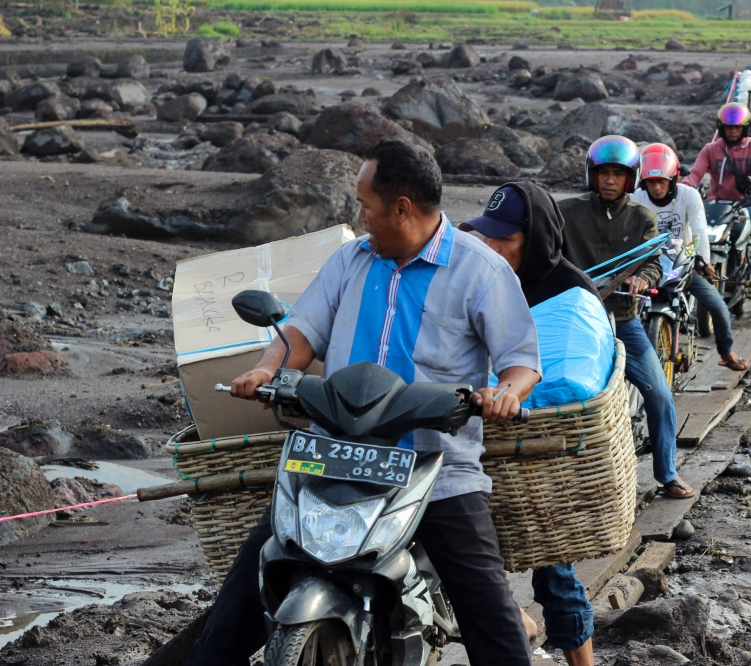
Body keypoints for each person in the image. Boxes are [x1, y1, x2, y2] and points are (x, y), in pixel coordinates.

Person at [186, 139, 542, 666]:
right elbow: (300, 333)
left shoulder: (480, 271)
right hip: (331, 455)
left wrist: (504, 395)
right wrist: (266, 371)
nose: (359, 217)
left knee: (490, 620)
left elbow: (521, 362)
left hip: (432, 467)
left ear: (401, 209)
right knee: (244, 592)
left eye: (365, 206)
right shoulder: (350, 260)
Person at [459, 181, 600, 666]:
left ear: (536, 237)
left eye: (507, 240)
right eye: (488, 237)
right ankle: (517, 620)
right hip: (473, 439)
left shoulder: (570, 291)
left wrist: (516, 394)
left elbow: (574, 378)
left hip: (536, 455)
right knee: (470, 559)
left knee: (554, 571)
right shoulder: (482, 279)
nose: (494, 249)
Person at [558, 135, 694, 500]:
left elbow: (652, 260)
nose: (610, 181)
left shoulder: (642, 218)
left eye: (618, 174)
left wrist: (641, 279)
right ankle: (566, 476)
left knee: (660, 394)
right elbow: (545, 248)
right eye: (603, 173)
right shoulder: (566, 212)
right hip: (575, 320)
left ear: (631, 179)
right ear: (592, 175)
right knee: (560, 393)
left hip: (623, 319)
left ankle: (666, 473)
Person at [629, 143, 748, 371]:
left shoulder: (689, 195)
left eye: (661, 181)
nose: (656, 188)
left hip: (681, 264)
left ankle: (726, 351)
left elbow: (698, 231)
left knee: (718, 307)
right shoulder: (636, 197)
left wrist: (700, 260)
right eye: (651, 182)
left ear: (673, 179)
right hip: (648, 266)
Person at [684, 103, 751, 309]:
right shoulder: (711, 149)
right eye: (729, 127)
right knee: (689, 244)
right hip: (716, 205)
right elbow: (695, 174)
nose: (732, 130)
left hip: (746, 205)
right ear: (721, 128)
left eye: (737, 127)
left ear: (745, 128)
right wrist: (685, 187)